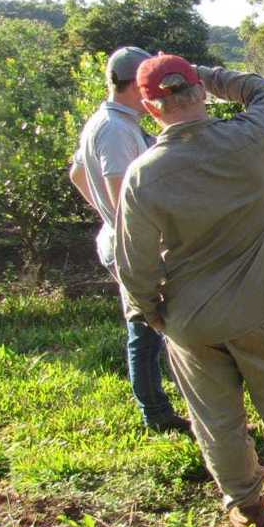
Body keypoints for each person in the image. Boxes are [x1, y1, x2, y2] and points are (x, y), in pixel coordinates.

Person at [114, 54, 264, 527]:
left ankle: (247, 507)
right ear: (202, 94)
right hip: (261, 310)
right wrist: (206, 73)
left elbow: (135, 266)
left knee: (216, 420)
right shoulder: (251, 137)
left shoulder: (143, 175)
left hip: (191, 321)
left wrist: (152, 314)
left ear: (150, 108)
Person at [68, 46, 190, 434]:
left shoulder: (107, 121)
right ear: (135, 84)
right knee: (146, 331)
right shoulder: (117, 130)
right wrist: (118, 219)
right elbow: (124, 194)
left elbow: (76, 174)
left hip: (123, 239)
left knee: (152, 329)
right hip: (135, 248)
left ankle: (160, 405)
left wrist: (105, 214)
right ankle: (156, 413)